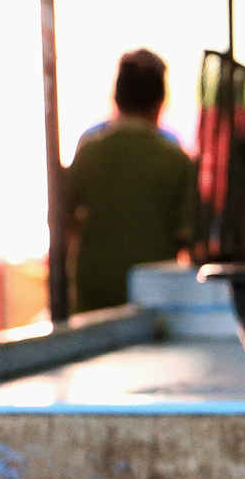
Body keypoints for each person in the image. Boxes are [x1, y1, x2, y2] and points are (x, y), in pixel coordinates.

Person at [66, 50, 197, 312]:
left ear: (117, 98)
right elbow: (188, 236)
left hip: (93, 293)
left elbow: (62, 220)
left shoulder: (88, 151)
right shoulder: (176, 158)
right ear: (160, 100)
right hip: (153, 294)